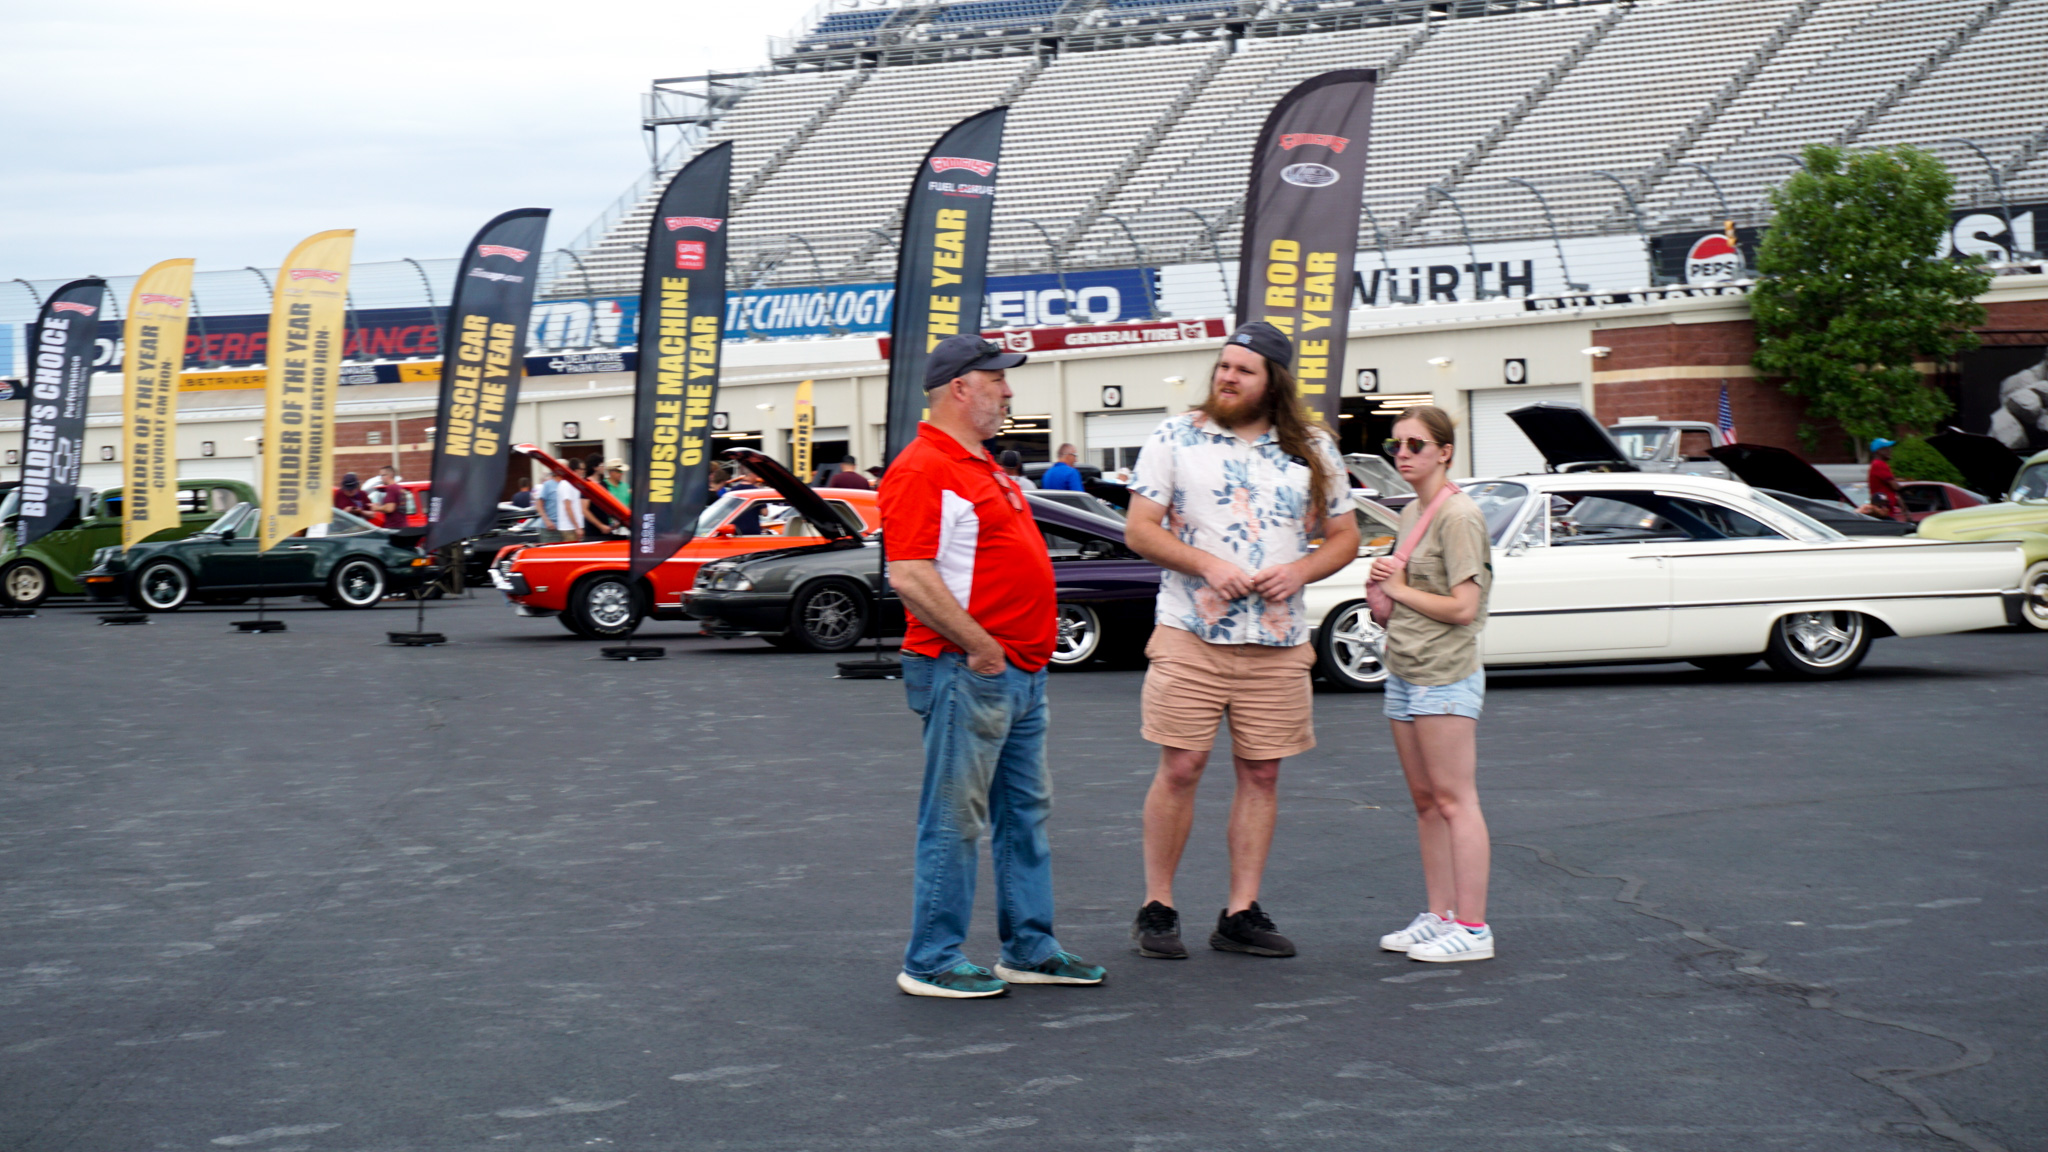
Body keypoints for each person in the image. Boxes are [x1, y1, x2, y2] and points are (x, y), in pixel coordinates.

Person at [1123, 321, 1359, 962]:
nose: (1227, 376)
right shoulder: (1176, 436)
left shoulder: (1312, 447)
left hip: (1278, 642)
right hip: (1190, 633)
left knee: (1261, 774)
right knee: (1181, 767)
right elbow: (1140, 529)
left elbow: (1345, 535)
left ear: (1272, 383)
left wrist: (1301, 570)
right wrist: (1207, 565)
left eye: (1243, 370)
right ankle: (1158, 907)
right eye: (1223, 366)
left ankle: (1240, 911)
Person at [882, 334, 1106, 999]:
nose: (1007, 392)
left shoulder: (974, 464)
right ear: (960, 388)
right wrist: (980, 645)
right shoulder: (926, 467)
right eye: (996, 381)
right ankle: (931, 959)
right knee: (956, 817)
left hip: (1012, 672)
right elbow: (910, 573)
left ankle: (1030, 948)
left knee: (1023, 813)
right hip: (971, 669)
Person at [1370, 404, 1496, 963]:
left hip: (1444, 674)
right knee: (1425, 802)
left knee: (1454, 800)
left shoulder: (1459, 516)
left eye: (1416, 445)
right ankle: (1440, 914)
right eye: (1396, 445)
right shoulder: (1411, 514)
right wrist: (1384, 591)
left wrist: (1396, 588)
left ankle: (1472, 927)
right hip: (1406, 669)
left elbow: (1465, 607)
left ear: (1444, 451)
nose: (1403, 454)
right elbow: (1397, 604)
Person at [1865, 438, 1903, 521]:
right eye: (1886, 449)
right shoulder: (1879, 465)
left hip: (1886, 511)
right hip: (1883, 512)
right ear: (1879, 451)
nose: (1890, 450)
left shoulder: (1879, 464)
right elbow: (1896, 487)